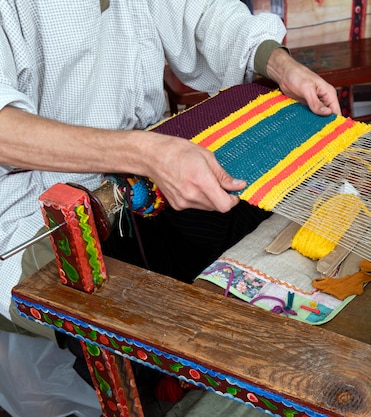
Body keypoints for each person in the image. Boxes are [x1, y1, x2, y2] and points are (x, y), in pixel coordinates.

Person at [0, 1, 339, 415]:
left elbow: (200, 12)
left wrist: (280, 64)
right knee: (133, 337)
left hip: (142, 171)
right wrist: (145, 153)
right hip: (38, 209)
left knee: (248, 217)